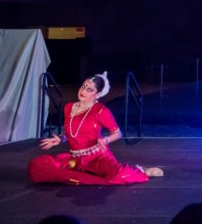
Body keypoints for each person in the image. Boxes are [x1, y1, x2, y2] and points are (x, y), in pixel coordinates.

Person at [29, 72, 162, 184]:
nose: (83, 91)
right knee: (37, 166)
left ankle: (140, 170)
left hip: (97, 158)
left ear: (97, 94)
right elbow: (72, 131)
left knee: (120, 176)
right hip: (75, 160)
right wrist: (61, 138)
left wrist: (105, 140)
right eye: (83, 86)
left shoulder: (101, 111)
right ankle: (89, 177)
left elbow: (117, 133)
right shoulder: (69, 107)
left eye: (89, 89)